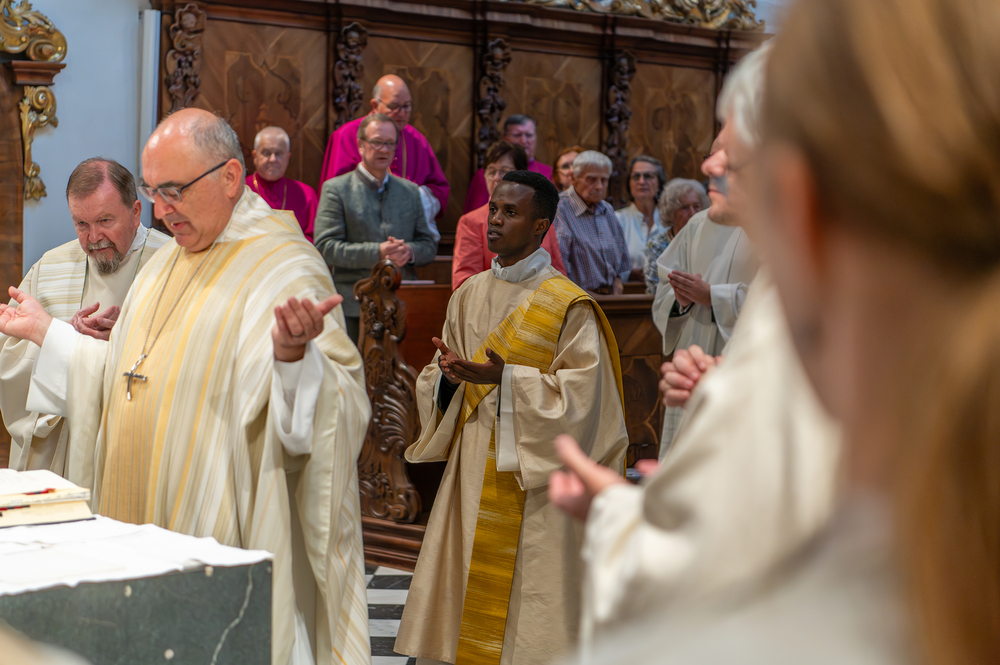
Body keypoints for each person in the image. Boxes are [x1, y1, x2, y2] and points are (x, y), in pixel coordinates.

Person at [0, 109, 372, 665]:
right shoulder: (164, 266)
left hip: (218, 524)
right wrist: (48, 334)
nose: (161, 209)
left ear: (230, 178)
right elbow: (124, 379)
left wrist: (293, 361)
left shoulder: (282, 266)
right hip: (139, 518)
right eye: (154, 192)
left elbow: (336, 414)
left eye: (173, 190)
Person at [549, 43, 839, 651]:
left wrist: (625, 529)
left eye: (731, 149)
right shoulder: (710, 228)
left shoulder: (828, 286)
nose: (709, 163)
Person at [394, 171, 628, 665]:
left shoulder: (569, 304)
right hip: (472, 469)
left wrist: (509, 380)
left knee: (529, 604)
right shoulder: (468, 293)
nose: (495, 221)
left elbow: (585, 401)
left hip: (532, 481)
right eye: (493, 209)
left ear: (541, 225)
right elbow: (435, 377)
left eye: (511, 212)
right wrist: (449, 379)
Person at [0, 157, 169, 481]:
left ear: (135, 212)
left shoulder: (172, 263)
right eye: (81, 224)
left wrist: (125, 338)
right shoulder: (50, 267)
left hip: (135, 447)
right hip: (62, 453)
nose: (93, 237)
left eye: (105, 220)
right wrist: (60, 336)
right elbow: (10, 358)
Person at [652, 135, 758, 452]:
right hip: (694, 348)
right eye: (710, 156)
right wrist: (680, 299)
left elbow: (783, 302)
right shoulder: (698, 224)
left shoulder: (777, 225)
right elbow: (665, 281)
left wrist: (714, 296)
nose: (710, 167)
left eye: (727, 157)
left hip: (742, 359)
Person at [314, 113, 438, 342]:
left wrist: (409, 251)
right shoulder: (336, 189)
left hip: (403, 304)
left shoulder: (410, 191)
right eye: (377, 142)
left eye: (390, 143)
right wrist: (377, 252)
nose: (384, 149)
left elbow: (429, 245)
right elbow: (325, 247)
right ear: (361, 145)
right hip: (354, 304)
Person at [319, 74, 448, 238]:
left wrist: (410, 201)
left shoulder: (417, 140)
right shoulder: (346, 136)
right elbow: (335, 195)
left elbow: (439, 190)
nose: (402, 113)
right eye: (394, 106)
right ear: (375, 104)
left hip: (404, 240)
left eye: (407, 106)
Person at [451, 141, 566, 290]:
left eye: (504, 172)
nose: (496, 178)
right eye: (491, 172)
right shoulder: (472, 221)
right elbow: (464, 283)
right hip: (494, 300)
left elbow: (558, 273)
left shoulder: (539, 216)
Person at [554, 150, 631, 294]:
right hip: (576, 299)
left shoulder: (607, 210)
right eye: (591, 179)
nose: (599, 186)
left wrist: (617, 284)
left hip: (611, 299)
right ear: (573, 177)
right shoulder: (559, 209)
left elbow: (623, 261)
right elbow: (557, 270)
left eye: (604, 180)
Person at [463, 115, 553, 213]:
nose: (524, 141)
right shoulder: (487, 174)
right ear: (504, 138)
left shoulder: (550, 173)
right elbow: (475, 215)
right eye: (517, 135)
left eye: (529, 135)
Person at [246, 126, 319, 241]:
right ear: (255, 156)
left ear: (288, 157)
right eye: (266, 153)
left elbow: (315, 240)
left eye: (279, 153)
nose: (272, 159)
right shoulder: (239, 189)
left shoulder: (307, 195)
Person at [642, 179, 708, 293]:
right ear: (671, 213)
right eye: (685, 208)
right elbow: (655, 287)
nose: (692, 213)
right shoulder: (656, 245)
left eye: (696, 206)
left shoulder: (709, 241)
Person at [615, 156, 667, 274]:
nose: (641, 182)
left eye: (648, 176)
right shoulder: (617, 219)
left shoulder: (669, 221)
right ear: (629, 184)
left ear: (659, 183)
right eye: (636, 177)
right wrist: (630, 274)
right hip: (626, 285)